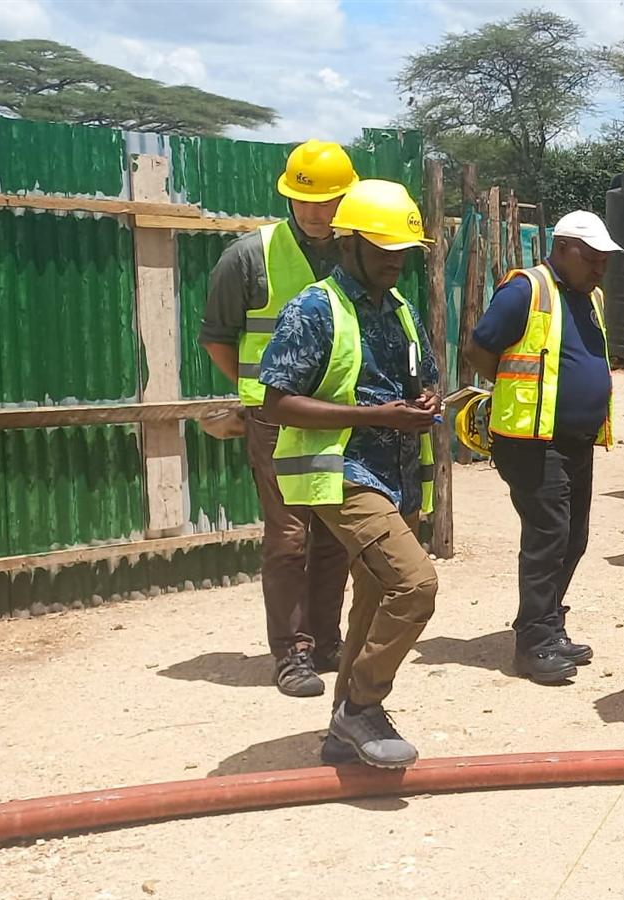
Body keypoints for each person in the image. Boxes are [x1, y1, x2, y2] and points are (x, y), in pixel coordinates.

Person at [258, 179, 438, 768]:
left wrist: (425, 403)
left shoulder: (401, 311)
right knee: (415, 585)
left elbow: (416, 380)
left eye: (402, 250)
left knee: (378, 592)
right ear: (347, 245)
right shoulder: (314, 308)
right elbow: (275, 403)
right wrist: (374, 415)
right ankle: (362, 705)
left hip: (397, 471)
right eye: (382, 248)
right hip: (340, 471)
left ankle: (343, 730)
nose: (394, 260)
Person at [200, 140, 356, 698]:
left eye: (330, 201)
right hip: (275, 418)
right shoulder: (247, 256)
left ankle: (327, 640)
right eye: (306, 200)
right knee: (289, 534)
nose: (318, 212)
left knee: (336, 533)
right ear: (288, 195)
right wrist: (256, 394)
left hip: (341, 412)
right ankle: (291, 654)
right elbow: (218, 338)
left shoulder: (357, 249)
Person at [465, 211, 622, 684]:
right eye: (592, 259)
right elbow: (478, 349)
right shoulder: (525, 290)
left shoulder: (589, 296)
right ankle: (533, 643)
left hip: (576, 441)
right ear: (564, 248)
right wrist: (513, 392)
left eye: (604, 261)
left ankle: (550, 626)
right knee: (547, 538)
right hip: (532, 442)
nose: (600, 269)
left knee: (573, 538)